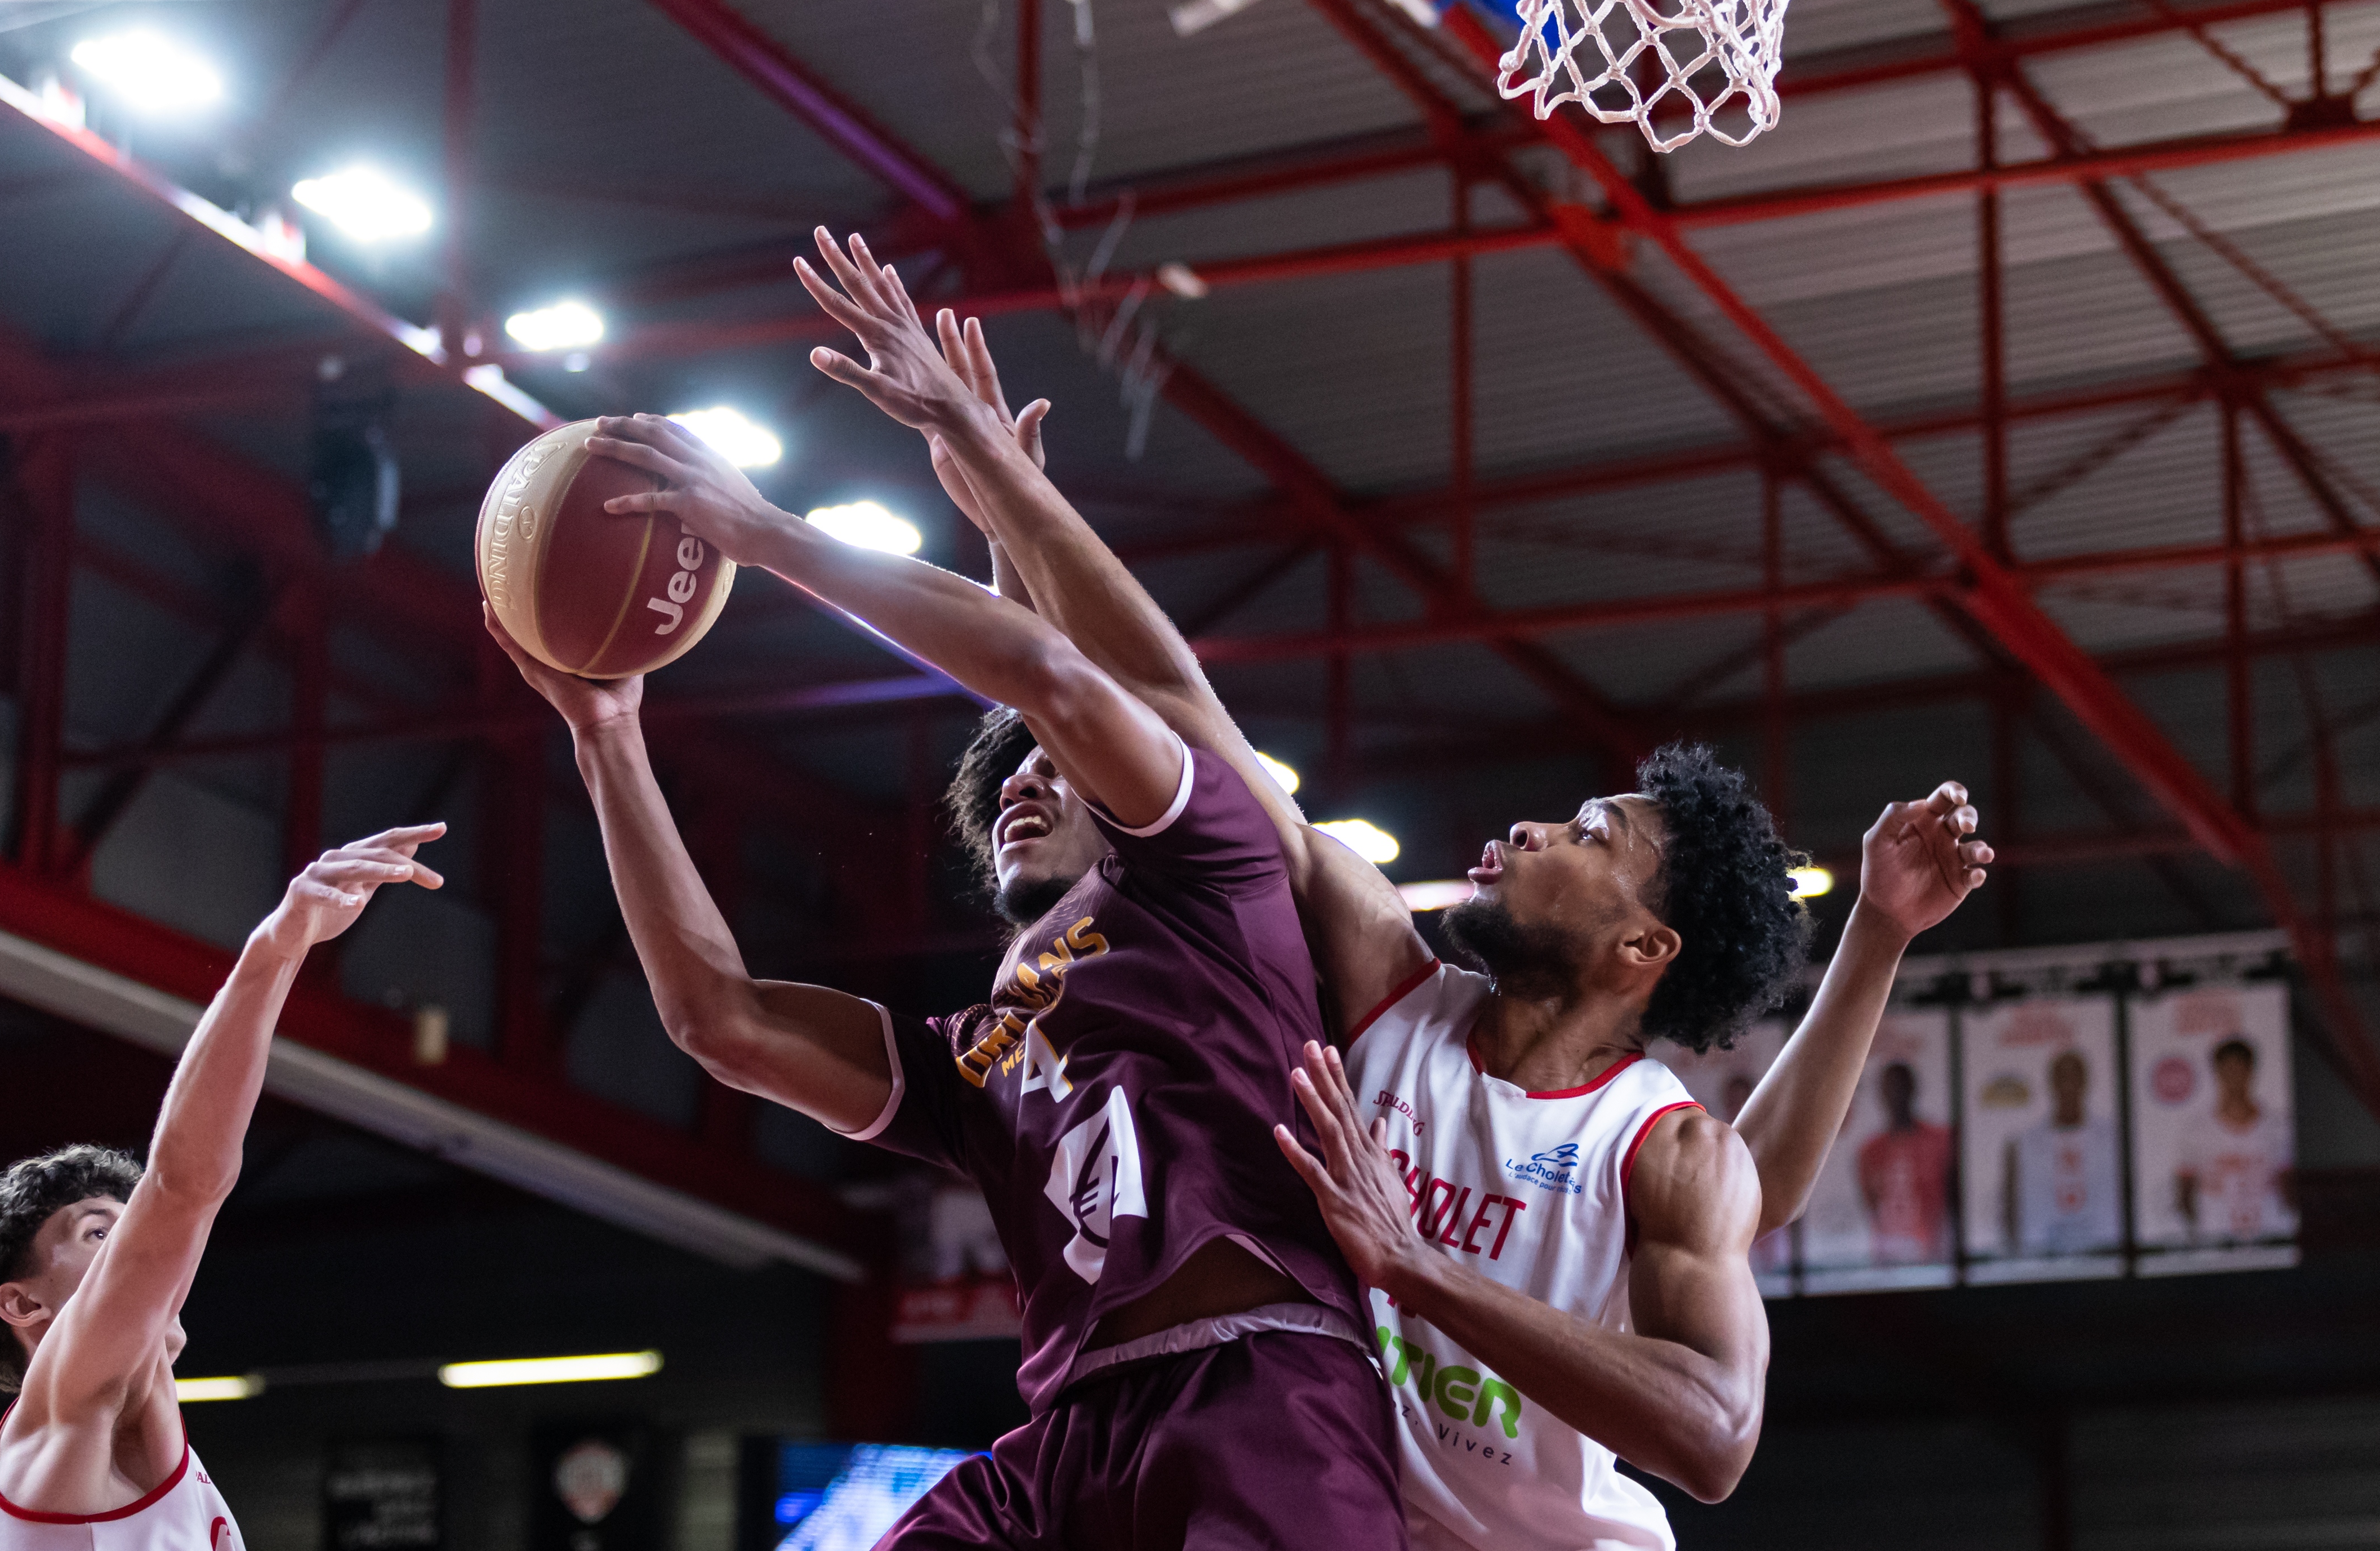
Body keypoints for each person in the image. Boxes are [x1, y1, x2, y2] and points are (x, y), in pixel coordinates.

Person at [791, 229, 1994, 1549]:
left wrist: (1413, 1264)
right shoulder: (1381, 977)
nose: (1535, 823)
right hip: (1320, 1499)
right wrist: (1008, 499)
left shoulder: (1660, 1147)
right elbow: (1184, 724)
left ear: (1641, 944)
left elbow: (1710, 1435)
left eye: (1589, 831)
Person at [485, 421, 1406, 1550]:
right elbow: (720, 1019)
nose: (1021, 775)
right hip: (1068, 1437)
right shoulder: (976, 1058)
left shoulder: (1210, 873)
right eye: (1005, 769)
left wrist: (775, 536)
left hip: (1263, 1393)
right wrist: (607, 736)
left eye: (1049, 763)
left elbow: (1051, 673)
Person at [0, 826, 446, 1550]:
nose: (141, 1246)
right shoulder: (64, 1410)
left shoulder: (142, 1443)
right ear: (23, 1303)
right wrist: (277, 949)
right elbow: (184, 1185)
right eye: (99, 1233)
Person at [2176, 1037, 2294, 1242]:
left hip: (2268, 1242)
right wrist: (2203, 1233)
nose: (2234, 1078)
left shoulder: (2278, 1126)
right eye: (2227, 1070)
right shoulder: (2197, 1129)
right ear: (2217, 1073)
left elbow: (2289, 1188)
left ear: (2251, 1071)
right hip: (2215, 1245)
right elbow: (2185, 1193)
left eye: (2239, 1069)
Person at [2002, 1048, 2119, 1256]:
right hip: (2042, 1264)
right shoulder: (2023, 1144)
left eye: (2075, 1078)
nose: (2068, 1086)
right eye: (2062, 1079)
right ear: (2051, 1084)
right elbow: (2010, 1209)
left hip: (2103, 1259)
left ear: (2085, 1083)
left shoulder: (2113, 1139)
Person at [1854, 1061, 1954, 1266]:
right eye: (1889, 1090)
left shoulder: (1940, 1140)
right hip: (1888, 1262)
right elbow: (1871, 1207)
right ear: (1881, 1095)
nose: (1896, 1096)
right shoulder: (1870, 1151)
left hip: (1936, 1259)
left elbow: (1953, 1200)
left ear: (1913, 1089)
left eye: (1901, 1088)